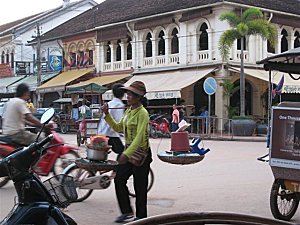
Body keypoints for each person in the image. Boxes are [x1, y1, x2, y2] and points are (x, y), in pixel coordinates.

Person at [101, 81, 152, 223]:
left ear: (138, 97)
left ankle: (141, 218)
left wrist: (126, 154)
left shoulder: (143, 113)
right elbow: (118, 128)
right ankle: (127, 212)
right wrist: (106, 115)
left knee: (139, 187)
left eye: (130, 94)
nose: (127, 96)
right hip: (129, 151)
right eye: (127, 93)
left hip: (141, 154)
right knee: (119, 179)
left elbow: (140, 137)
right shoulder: (129, 111)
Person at [98, 83, 125, 157]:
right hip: (110, 134)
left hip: (103, 132)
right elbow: (119, 123)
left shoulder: (110, 103)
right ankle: (119, 168)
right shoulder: (120, 105)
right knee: (123, 152)